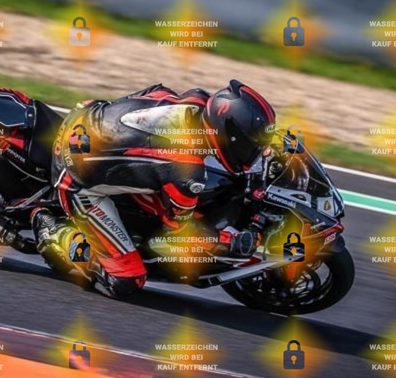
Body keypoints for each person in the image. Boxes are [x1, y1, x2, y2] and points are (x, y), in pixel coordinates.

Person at [30, 79, 276, 298]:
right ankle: (52, 231)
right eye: (250, 145)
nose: (254, 152)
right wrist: (233, 242)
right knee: (126, 280)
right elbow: (179, 234)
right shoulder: (186, 172)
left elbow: (155, 90)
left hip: (87, 113)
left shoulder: (198, 100)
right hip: (73, 176)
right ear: (231, 135)